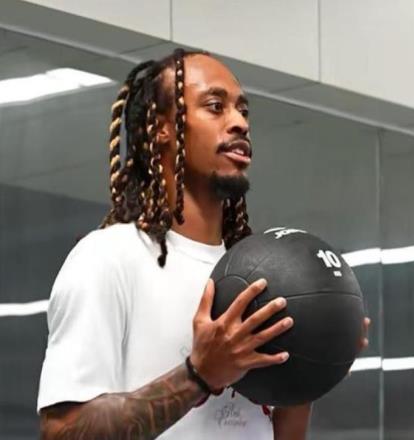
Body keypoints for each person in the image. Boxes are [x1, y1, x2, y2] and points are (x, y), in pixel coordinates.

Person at [38, 48, 370, 440]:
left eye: (242, 110)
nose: (239, 123)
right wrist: (199, 375)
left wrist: (310, 367)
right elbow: (62, 431)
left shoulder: (258, 274)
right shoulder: (108, 258)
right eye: (215, 106)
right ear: (160, 128)